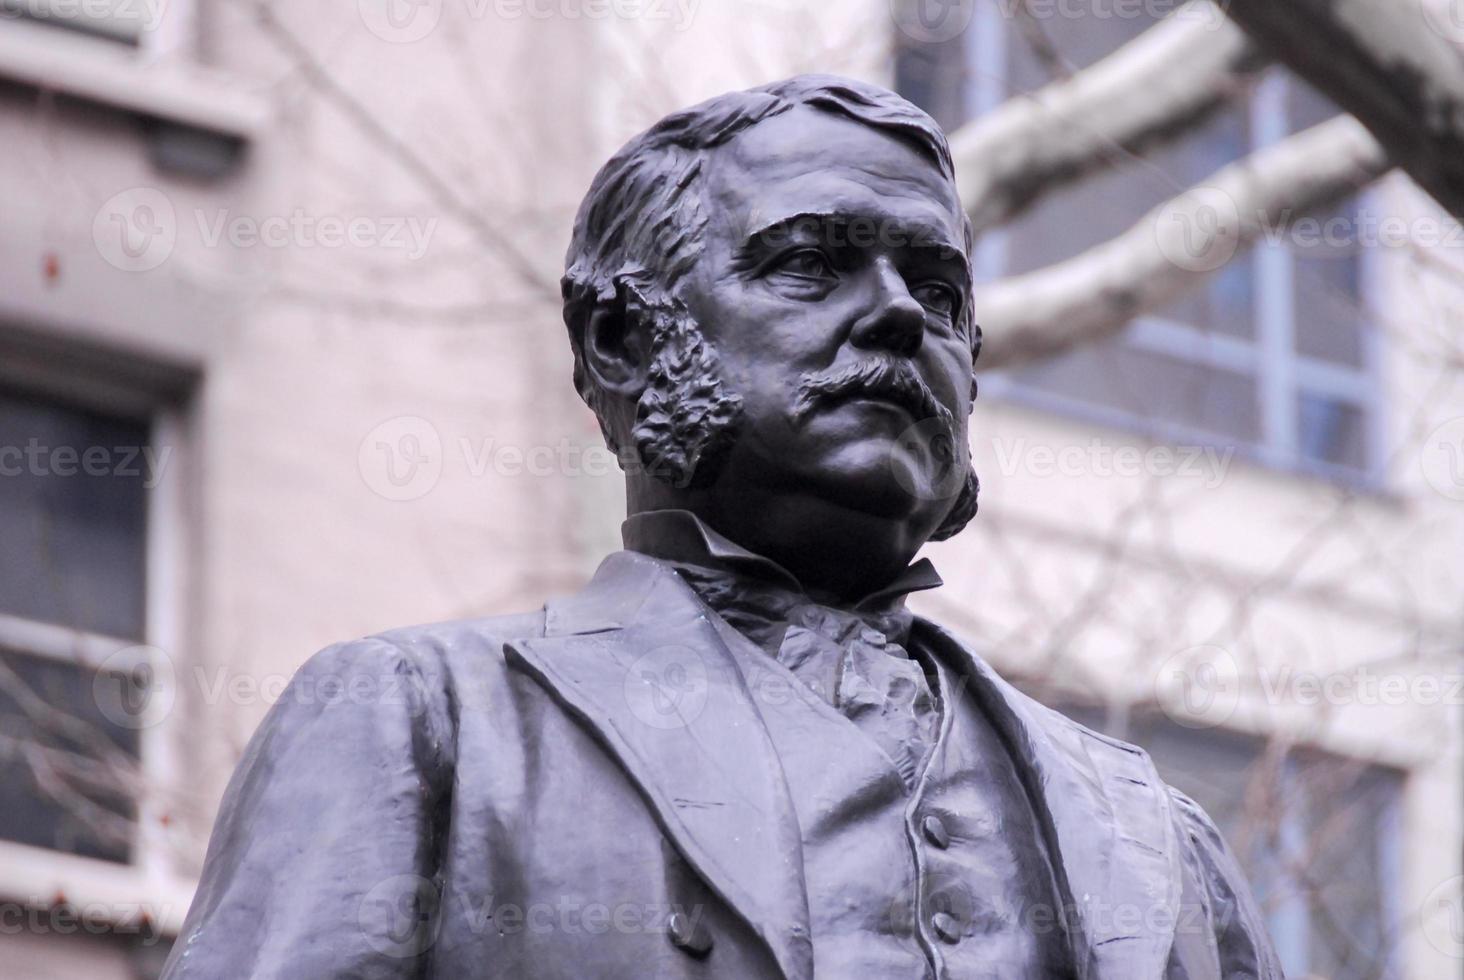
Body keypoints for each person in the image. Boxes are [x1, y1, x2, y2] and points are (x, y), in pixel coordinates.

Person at [162, 75, 1280, 979]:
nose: (900, 312)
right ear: (622, 342)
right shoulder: (423, 724)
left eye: (939, 290)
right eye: (808, 262)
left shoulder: (1154, 843)